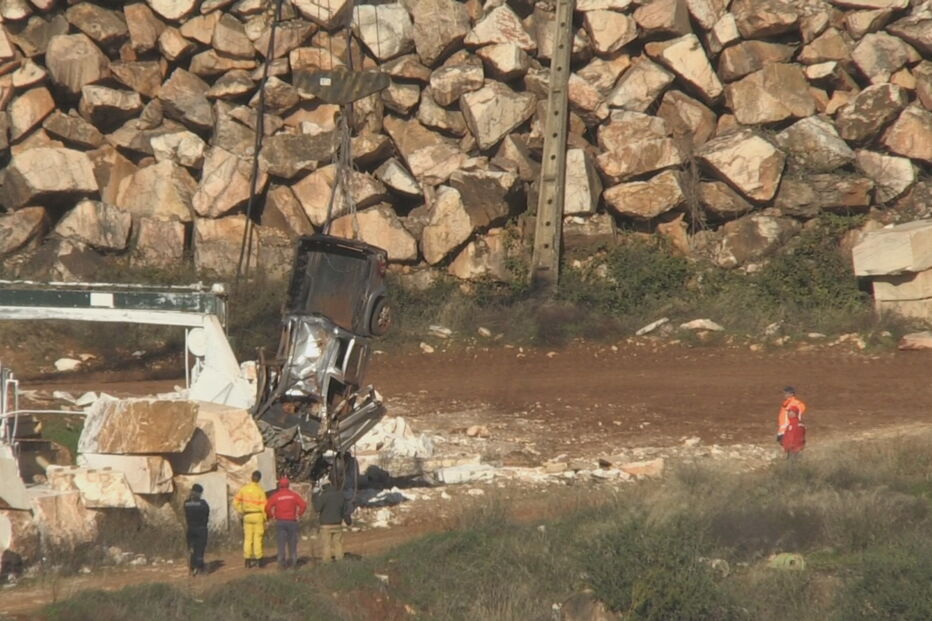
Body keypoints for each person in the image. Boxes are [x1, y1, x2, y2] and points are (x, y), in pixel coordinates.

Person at [265, 477, 308, 569]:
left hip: (280, 522)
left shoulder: (276, 496)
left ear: (280, 485)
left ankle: (281, 564)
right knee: (292, 543)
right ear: (288, 485)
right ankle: (293, 563)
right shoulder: (294, 495)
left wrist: (271, 516)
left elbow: (267, 507)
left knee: (281, 543)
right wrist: (299, 514)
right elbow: (303, 505)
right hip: (292, 522)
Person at [233, 471, 267, 568]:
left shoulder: (244, 489)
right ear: (259, 479)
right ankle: (259, 559)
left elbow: (235, 502)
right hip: (258, 516)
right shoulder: (260, 490)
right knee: (258, 538)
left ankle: (247, 560)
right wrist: (265, 518)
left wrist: (241, 510)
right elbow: (264, 506)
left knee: (248, 538)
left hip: (247, 516)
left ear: (251, 477)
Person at [313, 482, 347, 563]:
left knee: (326, 544)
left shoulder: (323, 496)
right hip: (338, 523)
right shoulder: (340, 495)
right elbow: (344, 509)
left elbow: (317, 508)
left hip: (326, 524)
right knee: (338, 543)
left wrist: (316, 496)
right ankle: (340, 559)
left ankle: (327, 561)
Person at [183, 483, 209, 576]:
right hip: (201, 529)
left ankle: (192, 567)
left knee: (192, 549)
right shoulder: (203, 504)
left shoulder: (186, 503)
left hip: (190, 529)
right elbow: (206, 515)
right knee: (200, 549)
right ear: (199, 493)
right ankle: (200, 568)